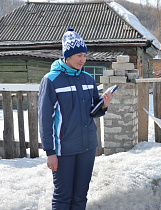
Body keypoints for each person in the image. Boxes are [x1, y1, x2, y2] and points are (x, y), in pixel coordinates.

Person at [38, 28, 113, 210]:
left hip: (87, 147)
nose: (83, 60)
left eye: (84, 55)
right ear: (68, 55)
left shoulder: (88, 79)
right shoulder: (51, 80)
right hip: (64, 149)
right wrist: (50, 152)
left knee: (80, 196)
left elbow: (92, 111)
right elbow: (45, 119)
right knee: (63, 197)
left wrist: (103, 104)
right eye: (78, 55)